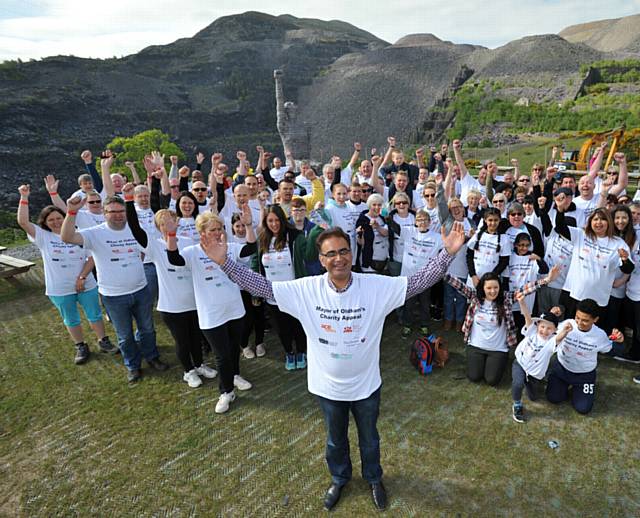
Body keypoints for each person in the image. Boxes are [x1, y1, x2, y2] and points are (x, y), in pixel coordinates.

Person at [197, 222, 467, 511]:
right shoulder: (306, 289)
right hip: (327, 388)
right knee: (335, 441)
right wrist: (225, 262)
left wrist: (447, 254)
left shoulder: (376, 285)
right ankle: (340, 479)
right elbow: (262, 286)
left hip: (366, 386)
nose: (338, 258)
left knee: (370, 440)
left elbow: (418, 282)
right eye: (331, 254)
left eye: (343, 251)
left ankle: (374, 478)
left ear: (351, 253)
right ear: (321, 259)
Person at [60, 193, 168, 383]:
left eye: (121, 211)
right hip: (113, 295)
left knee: (147, 329)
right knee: (125, 335)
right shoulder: (95, 233)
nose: (118, 215)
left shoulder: (134, 230)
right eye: (113, 212)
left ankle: (152, 357)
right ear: (104, 212)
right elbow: (67, 237)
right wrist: (71, 212)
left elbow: (144, 252)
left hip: (140, 289)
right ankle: (133, 366)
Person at [123, 185, 218, 388]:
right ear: (159, 227)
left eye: (171, 221)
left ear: (177, 222)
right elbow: (134, 227)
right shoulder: (154, 245)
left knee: (196, 337)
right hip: (172, 305)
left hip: (194, 300)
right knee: (182, 341)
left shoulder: (187, 242)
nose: (168, 225)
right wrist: (129, 200)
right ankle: (188, 371)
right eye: (163, 224)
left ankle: (199, 364)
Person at [166, 211, 255, 413]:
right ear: (202, 232)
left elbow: (250, 248)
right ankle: (226, 392)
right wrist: (171, 236)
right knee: (221, 355)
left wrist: (249, 226)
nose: (217, 233)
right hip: (211, 313)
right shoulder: (192, 252)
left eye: (220, 228)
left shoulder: (230, 248)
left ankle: (234, 375)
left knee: (233, 349)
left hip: (234, 308)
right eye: (213, 229)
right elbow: (174, 259)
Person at [16, 184, 116, 364]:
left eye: (59, 218)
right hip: (60, 287)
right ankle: (81, 345)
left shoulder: (78, 234)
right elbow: (23, 222)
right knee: (70, 318)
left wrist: (82, 277)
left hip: (85, 283)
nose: (56, 222)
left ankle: (103, 340)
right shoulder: (42, 237)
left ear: (65, 218)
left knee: (94, 314)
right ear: (45, 223)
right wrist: (24, 197)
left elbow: (91, 258)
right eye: (51, 220)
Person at [444, 266, 560, 386]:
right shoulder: (475, 297)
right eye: (489, 288)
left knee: (492, 380)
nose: (493, 291)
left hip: (498, 349)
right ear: (482, 288)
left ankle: (497, 362)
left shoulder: (506, 299)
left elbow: (526, 289)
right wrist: (442, 272)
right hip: (476, 345)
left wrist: (547, 280)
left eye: (496, 287)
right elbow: (458, 285)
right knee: (474, 377)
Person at [253, 205, 322, 370]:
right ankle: (289, 353)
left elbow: (310, 255)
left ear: (283, 220)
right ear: (265, 222)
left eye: (277, 220)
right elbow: (256, 264)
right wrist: (256, 291)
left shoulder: (295, 236)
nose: (274, 224)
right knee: (282, 328)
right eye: (270, 221)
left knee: (297, 325)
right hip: (273, 294)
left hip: (294, 292)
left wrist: (315, 233)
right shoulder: (262, 239)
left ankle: (301, 352)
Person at [546, 298, 625, 414]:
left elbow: (613, 352)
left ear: (595, 320)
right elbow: (546, 334)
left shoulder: (600, 335)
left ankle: (579, 389)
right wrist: (551, 315)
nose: (579, 322)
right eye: (577, 317)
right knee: (553, 398)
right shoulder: (566, 324)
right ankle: (562, 385)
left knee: (583, 408)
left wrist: (620, 342)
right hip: (561, 369)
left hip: (584, 376)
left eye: (585, 320)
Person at [511, 293, 572, 423]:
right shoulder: (531, 331)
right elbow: (527, 316)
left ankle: (530, 383)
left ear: (554, 329)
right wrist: (522, 302)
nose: (544, 331)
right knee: (517, 383)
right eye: (542, 326)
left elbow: (558, 338)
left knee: (534, 397)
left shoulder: (551, 342)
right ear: (537, 325)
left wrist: (565, 331)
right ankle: (517, 405)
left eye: (549, 328)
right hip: (520, 364)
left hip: (535, 373)